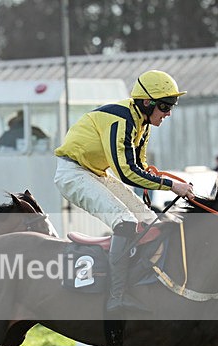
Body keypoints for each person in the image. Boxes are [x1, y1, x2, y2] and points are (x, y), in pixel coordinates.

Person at [53, 70, 194, 315]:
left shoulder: (143, 123)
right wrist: (173, 186)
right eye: (165, 106)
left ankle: (144, 284)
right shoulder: (122, 119)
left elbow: (138, 166)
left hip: (95, 172)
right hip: (73, 173)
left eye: (172, 105)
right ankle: (116, 297)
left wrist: (161, 183)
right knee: (126, 222)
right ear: (147, 102)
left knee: (150, 221)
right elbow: (127, 173)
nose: (169, 112)